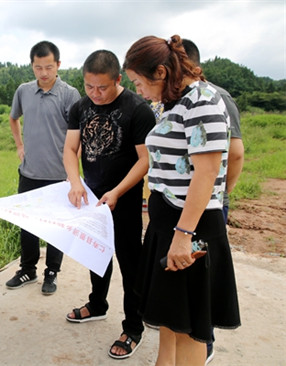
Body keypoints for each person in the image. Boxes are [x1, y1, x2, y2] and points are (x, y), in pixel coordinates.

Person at [123, 35, 241, 366]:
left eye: (140, 83)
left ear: (160, 72)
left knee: (189, 327)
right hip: (168, 223)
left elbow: (206, 173)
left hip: (190, 226)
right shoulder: (175, 102)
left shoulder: (203, 101)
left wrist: (183, 235)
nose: (140, 92)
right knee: (170, 317)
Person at [63, 50, 155, 359]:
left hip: (124, 199)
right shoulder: (80, 107)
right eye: (89, 87)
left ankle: (133, 327)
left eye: (102, 87)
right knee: (95, 254)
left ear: (118, 79)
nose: (96, 94)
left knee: (130, 263)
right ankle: (98, 304)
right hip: (92, 197)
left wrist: (116, 191)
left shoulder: (138, 109)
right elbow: (71, 148)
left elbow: (145, 160)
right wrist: (76, 182)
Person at [182, 38, 244, 365]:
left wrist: (222, 196)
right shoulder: (203, 97)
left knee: (202, 271)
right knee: (195, 273)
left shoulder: (214, 98)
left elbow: (234, 155)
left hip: (206, 202)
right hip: (198, 201)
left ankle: (203, 342)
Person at [6, 41, 81, 295]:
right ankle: (27, 269)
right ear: (32, 66)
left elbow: (77, 135)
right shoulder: (23, 91)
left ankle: (52, 272)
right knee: (26, 224)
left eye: (49, 67)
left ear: (58, 65)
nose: (44, 73)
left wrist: (74, 176)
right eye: (38, 67)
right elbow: (13, 118)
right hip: (29, 172)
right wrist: (19, 145)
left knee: (56, 228)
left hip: (59, 176)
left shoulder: (70, 95)